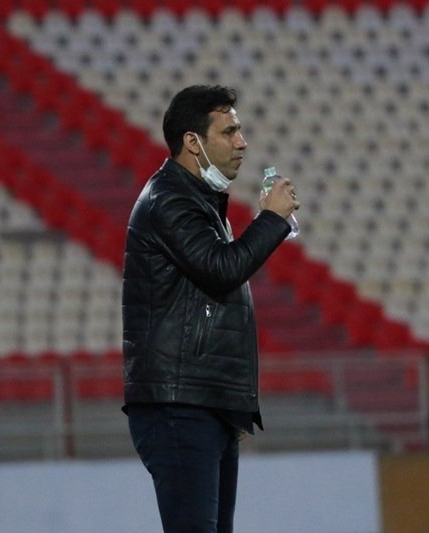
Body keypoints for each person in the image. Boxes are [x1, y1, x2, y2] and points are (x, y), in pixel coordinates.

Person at [121, 84, 299, 533]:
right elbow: (222, 269)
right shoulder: (170, 199)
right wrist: (271, 219)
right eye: (229, 132)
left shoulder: (196, 199)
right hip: (180, 403)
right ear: (193, 142)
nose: (242, 143)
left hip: (202, 401)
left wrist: (227, 401)